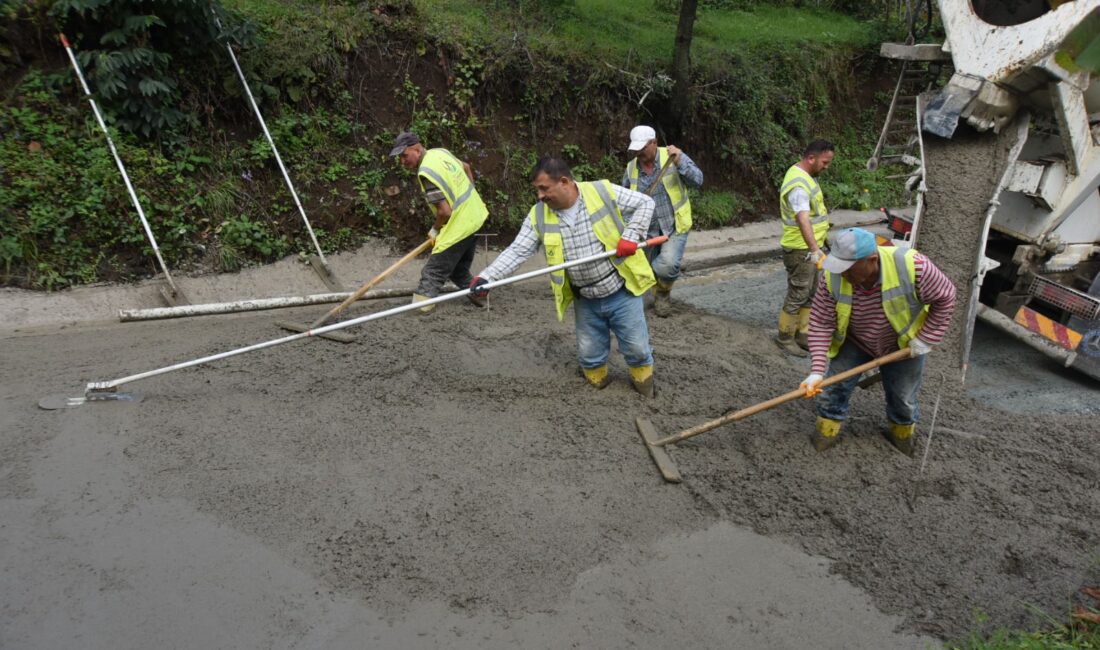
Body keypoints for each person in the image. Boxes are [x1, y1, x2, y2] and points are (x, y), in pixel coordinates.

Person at [470, 156, 659, 397]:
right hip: (585, 299)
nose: (540, 196)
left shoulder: (601, 192)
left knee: (637, 348)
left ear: (564, 181)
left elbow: (645, 203)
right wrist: (487, 277)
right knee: (590, 355)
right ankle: (598, 389)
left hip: (621, 290)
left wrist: (631, 236)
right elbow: (518, 250)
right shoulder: (539, 215)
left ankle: (645, 390)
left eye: (544, 188)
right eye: (537, 190)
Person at [799, 227, 956, 455]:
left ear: (871, 259)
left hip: (903, 345)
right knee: (832, 389)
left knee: (903, 398)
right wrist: (816, 370)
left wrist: (925, 338)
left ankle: (902, 440)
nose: (842, 275)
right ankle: (825, 436)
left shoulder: (913, 266)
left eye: (848, 270)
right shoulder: (831, 276)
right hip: (856, 340)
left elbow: (946, 296)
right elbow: (821, 322)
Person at [390, 131, 488, 313]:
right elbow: (466, 167)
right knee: (457, 270)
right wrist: (473, 194)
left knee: (433, 272)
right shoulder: (440, 152)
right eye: (400, 158)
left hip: (460, 226)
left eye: (404, 155)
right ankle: (480, 294)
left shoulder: (426, 173)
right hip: (476, 217)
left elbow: (445, 212)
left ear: (417, 150)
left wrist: (435, 229)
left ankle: (421, 309)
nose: (402, 161)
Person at [621, 125, 703, 317]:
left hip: (673, 226)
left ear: (654, 143)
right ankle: (660, 278)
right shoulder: (631, 167)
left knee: (665, 266)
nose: (639, 153)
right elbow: (624, 200)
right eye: (636, 149)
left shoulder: (673, 157)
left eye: (643, 148)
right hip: (646, 230)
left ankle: (663, 293)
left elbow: (698, 180)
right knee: (640, 272)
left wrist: (681, 162)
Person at [776, 139, 835, 356]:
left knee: (812, 291)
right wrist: (814, 249)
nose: (826, 167)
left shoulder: (804, 177)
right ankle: (785, 337)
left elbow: (814, 217)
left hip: (809, 247)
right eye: (825, 162)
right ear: (811, 158)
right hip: (801, 250)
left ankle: (803, 333)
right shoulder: (799, 185)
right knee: (799, 292)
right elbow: (802, 218)